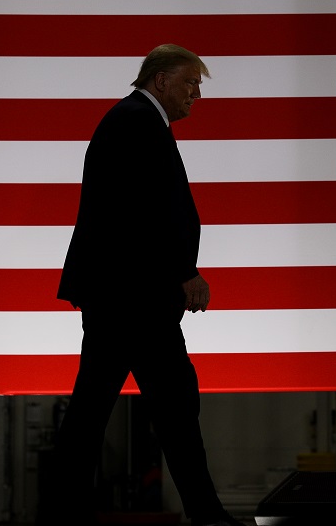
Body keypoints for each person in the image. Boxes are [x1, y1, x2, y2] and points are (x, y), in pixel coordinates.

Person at [50, 44, 246, 526]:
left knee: (98, 412)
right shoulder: (138, 121)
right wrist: (185, 270)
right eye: (189, 83)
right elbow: (147, 211)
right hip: (134, 298)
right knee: (173, 408)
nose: (195, 95)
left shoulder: (132, 119)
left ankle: (61, 516)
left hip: (121, 295)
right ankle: (208, 515)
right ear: (160, 80)